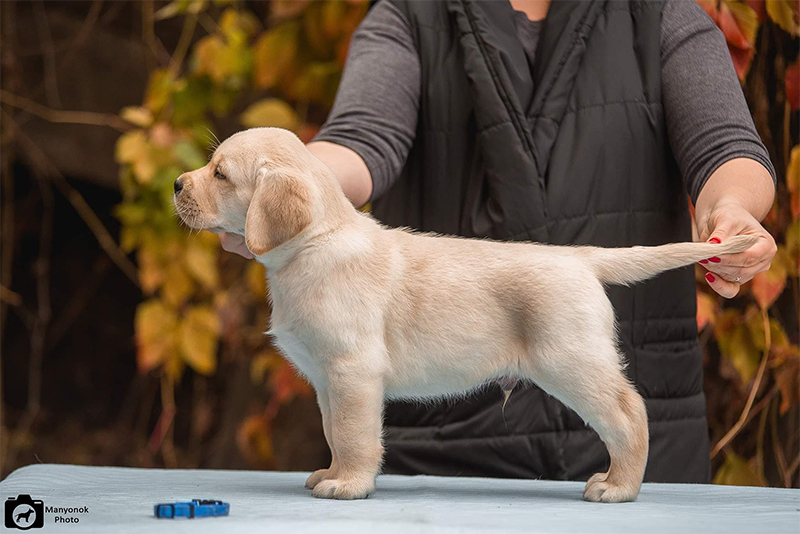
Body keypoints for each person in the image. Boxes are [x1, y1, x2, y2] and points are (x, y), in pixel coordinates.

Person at [220, 0, 777, 483]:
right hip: (444, 454)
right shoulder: (409, 16)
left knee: (605, 405)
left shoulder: (662, 12)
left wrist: (731, 208)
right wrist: (286, 194)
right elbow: (363, 138)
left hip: (653, 429)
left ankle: (626, 452)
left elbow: (725, 144)